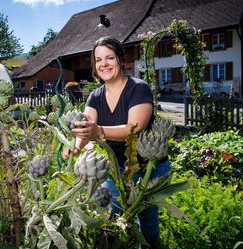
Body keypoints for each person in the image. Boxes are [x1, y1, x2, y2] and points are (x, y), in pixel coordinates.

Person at [63, 36, 170, 248]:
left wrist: (98, 131)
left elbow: (134, 128)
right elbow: (86, 127)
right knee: (111, 220)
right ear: (94, 65)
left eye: (109, 57)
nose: (104, 64)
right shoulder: (95, 96)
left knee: (147, 224)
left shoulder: (139, 88)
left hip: (148, 167)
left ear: (120, 59)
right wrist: (74, 147)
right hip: (116, 169)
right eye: (98, 59)